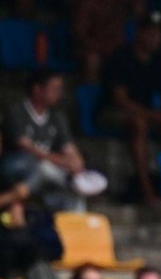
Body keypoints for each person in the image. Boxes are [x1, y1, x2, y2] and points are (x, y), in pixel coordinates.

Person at [101, 12, 161, 204]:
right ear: (139, 33)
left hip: (147, 113)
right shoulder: (121, 57)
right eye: (151, 32)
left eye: (159, 34)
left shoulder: (158, 61)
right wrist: (160, 119)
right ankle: (146, 190)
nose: (155, 38)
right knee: (139, 125)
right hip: (112, 112)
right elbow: (121, 101)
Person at [3, 70, 106, 213]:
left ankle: (76, 225)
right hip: (19, 164)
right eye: (54, 89)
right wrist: (60, 161)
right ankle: (14, 196)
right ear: (37, 89)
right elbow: (27, 147)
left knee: (74, 187)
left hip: (47, 171)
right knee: (43, 167)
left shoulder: (57, 117)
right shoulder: (17, 112)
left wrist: (77, 163)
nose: (59, 94)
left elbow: (69, 147)